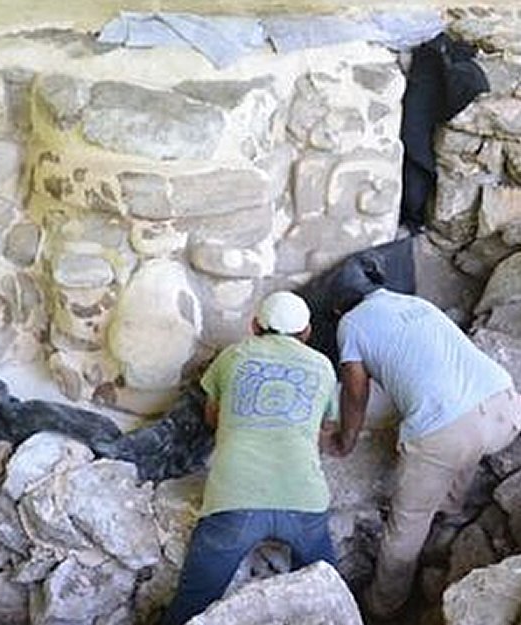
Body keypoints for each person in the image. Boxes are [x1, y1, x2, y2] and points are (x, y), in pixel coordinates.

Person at [321, 255, 521, 621]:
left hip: (450, 430)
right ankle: (447, 523)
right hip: (505, 408)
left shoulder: (351, 323)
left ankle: (384, 605)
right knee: (459, 448)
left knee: (405, 524)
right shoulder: (413, 302)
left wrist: (345, 441)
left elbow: (354, 392)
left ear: (338, 307)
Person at [162, 291, 339, 625]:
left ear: (254, 325)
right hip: (303, 498)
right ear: (306, 333)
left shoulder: (232, 357)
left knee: (194, 599)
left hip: (235, 497)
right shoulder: (323, 366)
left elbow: (212, 417)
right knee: (328, 594)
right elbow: (323, 425)